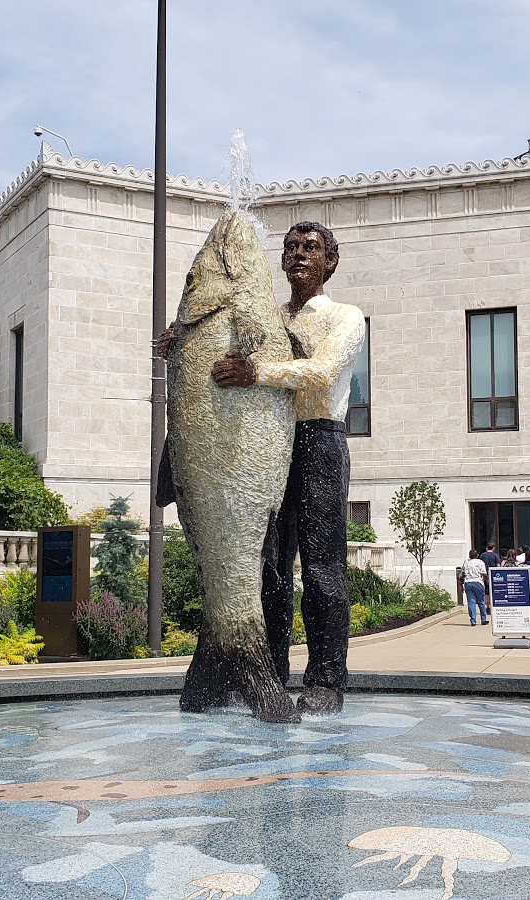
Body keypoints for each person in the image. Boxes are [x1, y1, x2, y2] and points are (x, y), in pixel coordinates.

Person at [173, 221, 364, 715]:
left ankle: (326, 681)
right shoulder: (265, 316)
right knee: (270, 571)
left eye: (311, 248)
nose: (299, 254)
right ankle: (267, 673)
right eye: (291, 247)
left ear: (329, 262)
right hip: (265, 448)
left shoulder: (346, 317)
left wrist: (256, 371)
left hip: (319, 442)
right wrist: (187, 343)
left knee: (322, 569)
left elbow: (322, 371)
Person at [462, 550, 489, 626]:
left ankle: (473, 620)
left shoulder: (466, 562)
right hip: (478, 582)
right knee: (481, 601)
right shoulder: (480, 562)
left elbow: (462, 574)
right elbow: (484, 573)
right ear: (477, 555)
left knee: (471, 602)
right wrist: (487, 580)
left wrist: (461, 584)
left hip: (468, 582)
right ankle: (483, 619)